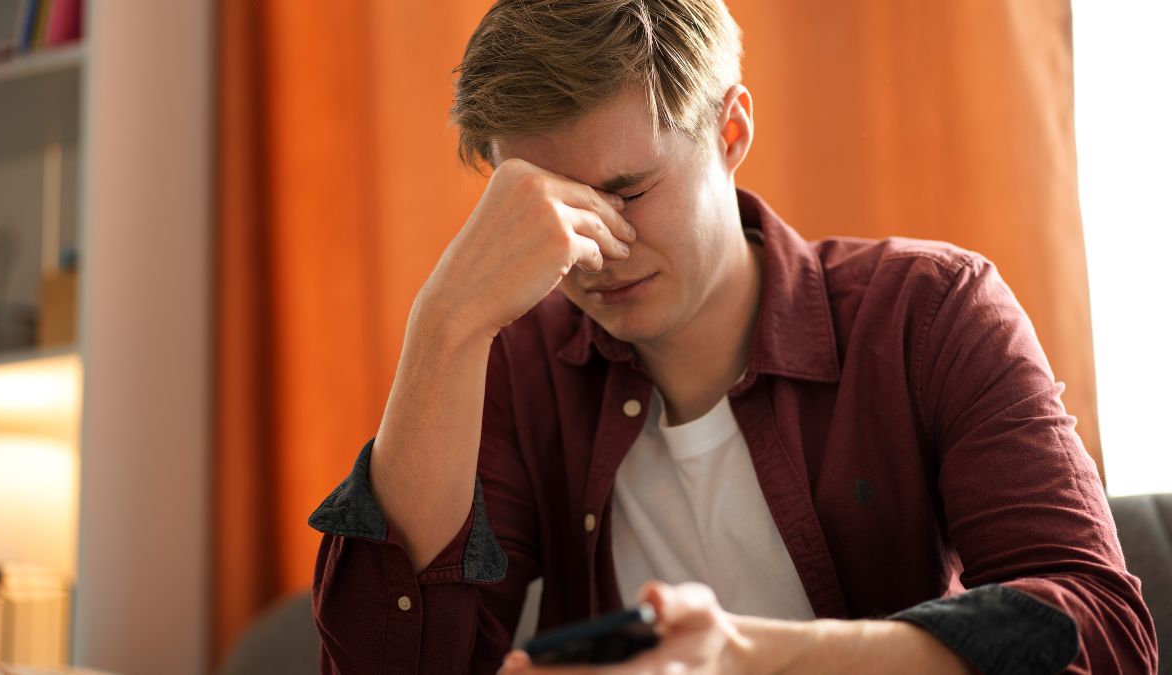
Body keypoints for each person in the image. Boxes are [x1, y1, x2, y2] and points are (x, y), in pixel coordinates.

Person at [308, 1, 1157, 673]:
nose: (597, 249)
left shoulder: (930, 314)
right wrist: (444, 322)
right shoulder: (517, 367)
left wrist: (747, 657)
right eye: (550, 212)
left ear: (731, 130)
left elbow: (1102, 633)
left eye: (627, 192)